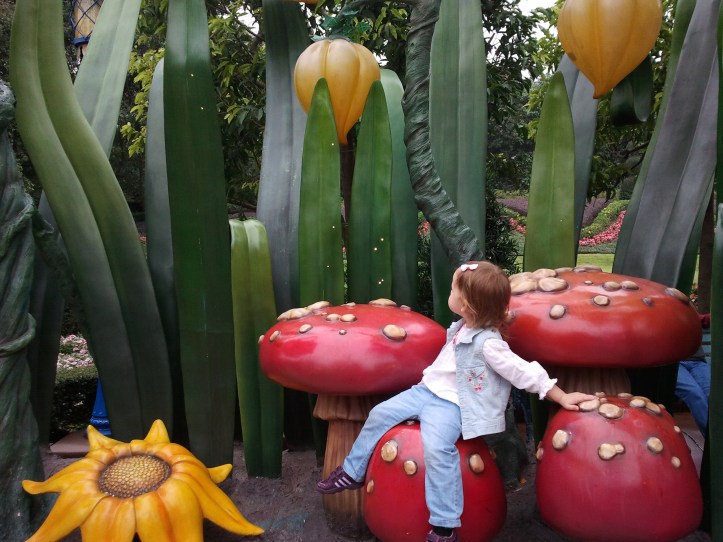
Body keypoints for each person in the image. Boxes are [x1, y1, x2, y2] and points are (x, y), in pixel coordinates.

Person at [316, 261, 596, 542]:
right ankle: (352, 472)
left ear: (467, 305)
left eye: (453, 290)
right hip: (425, 391)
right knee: (380, 412)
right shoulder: (462, 327)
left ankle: (444, 524)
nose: (449, 293)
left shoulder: (489, 344)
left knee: (437, 448)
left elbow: (522, 371)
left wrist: (560, 395)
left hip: (452, 404)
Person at [675, 313, 711, 434]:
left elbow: (705, 319)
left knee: (711, 394)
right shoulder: (662, 314)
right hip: (675, 363)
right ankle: (715, 438)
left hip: (697, 362)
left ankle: (714, 438)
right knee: (694, 393)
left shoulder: (689, 314)